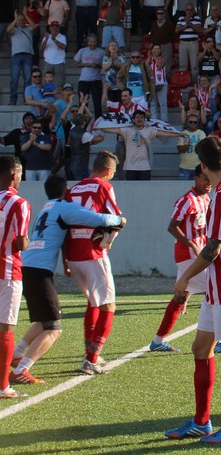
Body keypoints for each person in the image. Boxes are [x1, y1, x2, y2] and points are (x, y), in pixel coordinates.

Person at [164, 137, 221, 443]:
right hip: (219, 286)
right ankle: (201, 421)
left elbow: (213, 248)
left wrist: (184, 279)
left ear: (202, 166)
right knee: (200, 347)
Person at [11, 172, 123, 390]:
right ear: (65, 191)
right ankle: (21, 370)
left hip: (28, 265)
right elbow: (99, 219)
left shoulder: (46, 208)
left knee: (43, 320)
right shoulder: (64, 207)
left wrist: (66, 260)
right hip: (39, 270)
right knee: (54, 328)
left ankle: (16, 354)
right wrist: (120, 220)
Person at [65, 151, 125, 374]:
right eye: (113, 173)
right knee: (108, 305)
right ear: (108, 171)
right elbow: (117, 218)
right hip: (93, 253)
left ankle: (91, 354)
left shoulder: (74, 188)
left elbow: (64, 221)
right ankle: (91, 359)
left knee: (93, 301)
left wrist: (65, 258)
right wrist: (107, 241)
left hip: (73, 253)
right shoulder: (104, 186)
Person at [149, 166, 212, 352]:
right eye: (205, 179)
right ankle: (219, 341)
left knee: (180, 297)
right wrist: (191, 244)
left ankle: (158, 341)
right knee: (215, 291)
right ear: (196, 178)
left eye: (210, 179)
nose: (209, 183)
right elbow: (172, 227)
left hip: (199, 253)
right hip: (189, 255)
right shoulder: (187, 200)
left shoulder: (206, 199)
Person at [0, 156, 31, 399]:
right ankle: (3, 387)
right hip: (8, 270)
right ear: (13, 175)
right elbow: (21, 242)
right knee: (6, 328)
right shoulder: (19, 203)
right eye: (20, 174)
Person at [112, 111, 185, 181]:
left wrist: (178, 134)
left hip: (144, 166)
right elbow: (112, 130)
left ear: (144, 120)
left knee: (145, 188)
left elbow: (163, 133)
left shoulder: (149, 130)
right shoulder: (127, 130)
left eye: (141, 117)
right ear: (133, 120)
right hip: (130, 166)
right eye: (137, 117)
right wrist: (104, 127)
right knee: (131, 188)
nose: (139, 119)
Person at [177, 115, 207, 181]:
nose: (192, 123)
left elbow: (205, 150)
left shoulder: (202, 133)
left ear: (198, 123)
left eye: (195, 122)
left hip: (199, 168)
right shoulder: (183, 134)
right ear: (187, 122)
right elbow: (180, 149)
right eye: (190, 122)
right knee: (182, 187)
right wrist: (187, 145)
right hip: (184, 167)